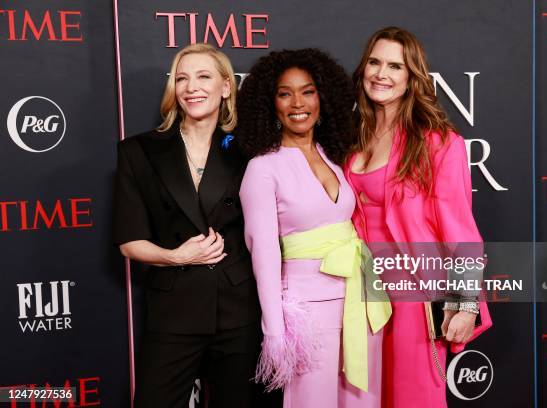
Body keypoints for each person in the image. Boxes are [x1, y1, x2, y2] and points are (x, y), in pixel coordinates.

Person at [346, 27, 492, 408]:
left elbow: (461, 230)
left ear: (412, 78)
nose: (382, 73)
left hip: (415, 297)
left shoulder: (438, 143)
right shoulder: (352, 138)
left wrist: (465, 303)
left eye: (396, 66)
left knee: (414, 397)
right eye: (375, 62)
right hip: (360, 295)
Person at [236, 48, 391, 408]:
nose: (297, 103)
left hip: (360, 300)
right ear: (270, 103)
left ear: (323, 97)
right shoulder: (262, 169)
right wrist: (275, 330)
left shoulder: (333, 158)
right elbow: (264, 254)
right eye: (284, 93)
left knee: (362, 401)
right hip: (306, 312)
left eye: (307, 91)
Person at [112, 43, 264, 408]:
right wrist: (177, 255)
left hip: (238, 309)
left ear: (226, 86)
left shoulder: (250, 150)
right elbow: (129, 242)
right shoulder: (139, 151)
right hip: (173, 309)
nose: (191, 87)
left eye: (203, 76)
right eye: (182, 78)